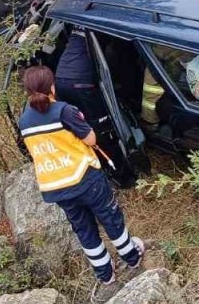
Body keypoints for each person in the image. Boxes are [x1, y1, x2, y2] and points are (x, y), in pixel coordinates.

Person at [19, 65, 146, 299]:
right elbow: (90, 138)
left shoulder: (24, 120)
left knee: (84, 229)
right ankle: (132, 256)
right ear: (52, 87)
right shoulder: (64, 111)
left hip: (57, 187)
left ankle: (105, 274)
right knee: (109, 216)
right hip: (85, 177)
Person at [53, 29, 136, 187]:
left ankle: (95, 164)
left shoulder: (81, 17)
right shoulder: (102, 19)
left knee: (80, 125)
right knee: (102, 129)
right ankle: (122, 176)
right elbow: (115, 57)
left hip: (61, 78)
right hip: (80, 83)